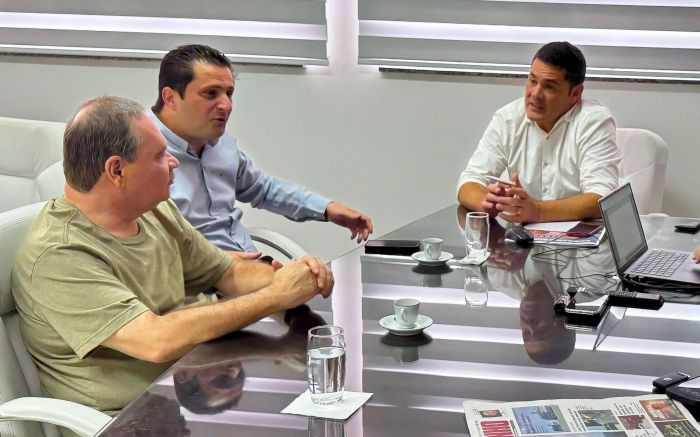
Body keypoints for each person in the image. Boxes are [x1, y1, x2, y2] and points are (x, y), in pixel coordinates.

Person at [11, 96, 333, 436]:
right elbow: (154, 340)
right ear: (117, 170)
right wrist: (275, 296)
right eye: (159, 156)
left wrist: (296, 276)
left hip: (178, 402)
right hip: (124, 424)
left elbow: (226, 272)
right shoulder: (59, 255)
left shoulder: (153, 210)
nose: (174, 162)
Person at [150, 44, 373, 256]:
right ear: (170, 98)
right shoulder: (139, 150)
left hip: (249, 263)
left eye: (229, 93)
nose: (226, 105)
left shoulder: (220, 143)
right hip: (197, 275)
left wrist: (327, 208)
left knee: (323, 276)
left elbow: (263, 189)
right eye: (211, 93)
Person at [457, 41, 620, 224]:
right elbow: (469, 180)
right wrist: (486, 202)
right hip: (521, 239)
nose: (535, 94)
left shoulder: (593, 121)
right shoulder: (508, 119)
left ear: (575, 94)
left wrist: (539, 211)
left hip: (580, 239)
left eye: (549, 87)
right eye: (533, 81)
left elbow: (602, 198)